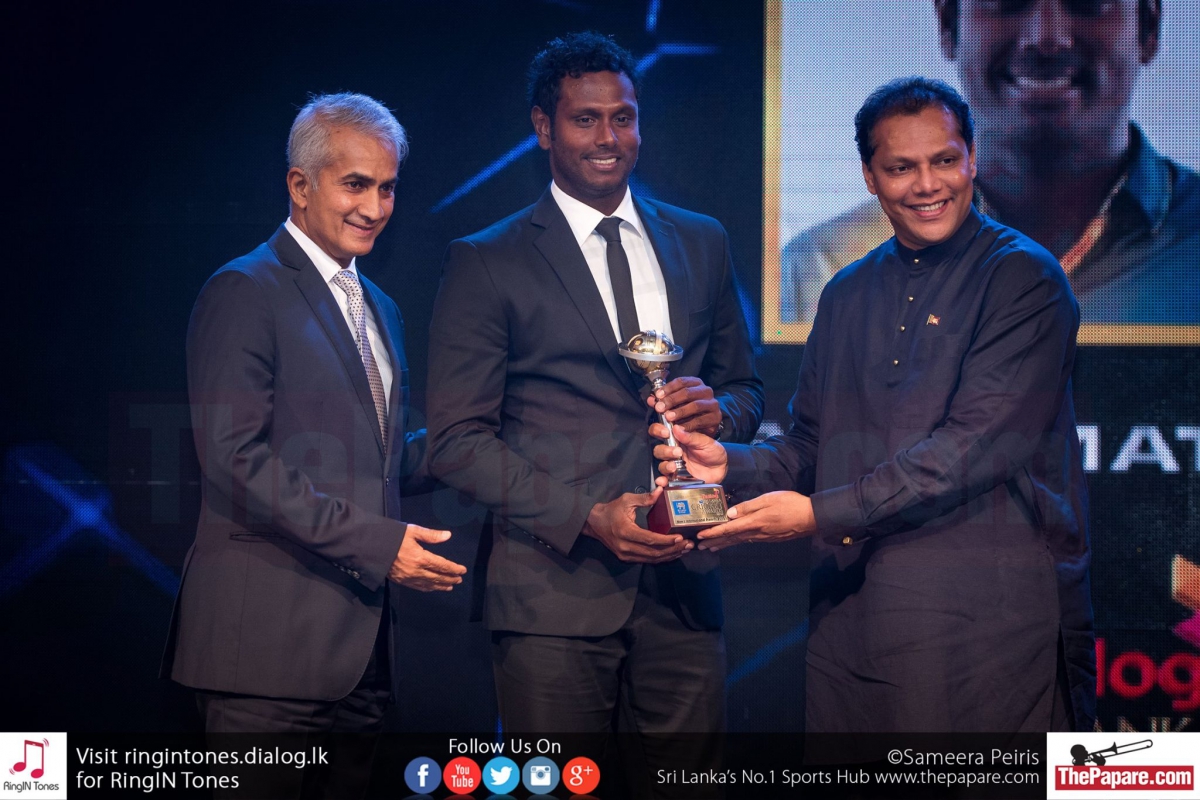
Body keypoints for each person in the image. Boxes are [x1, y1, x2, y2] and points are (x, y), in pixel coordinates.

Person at [662, 77, 1095, 732]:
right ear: (869, 177)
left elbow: (971, 450)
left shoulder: (1025, 278)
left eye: (944, 160)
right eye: (901, 167)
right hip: (853, 620)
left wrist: (816, 514)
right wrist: (730, 464)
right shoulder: (845, 291)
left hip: (988, 628)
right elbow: (812, 444)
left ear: (973, 159)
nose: (928, 185)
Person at [426, 31, 763, 786]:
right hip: (552, 596)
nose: (609, 137)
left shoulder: (701, 241)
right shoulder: (488, 259)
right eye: (586, 119)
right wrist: (587, 516)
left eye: (623, 117)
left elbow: (746, 392)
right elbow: (456, 440)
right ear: (543, 128)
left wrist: (716, 414)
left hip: (685, 585)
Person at [162, 93, 466, 796]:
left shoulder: (380, 307)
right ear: (299, 185)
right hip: (264, 654)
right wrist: (379, 545)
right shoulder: (245, 289)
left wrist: (478, 437)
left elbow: (378, 461)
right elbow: (235, 459)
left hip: (360, 658)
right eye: (356, 184)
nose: (376, 207)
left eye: (388, 187)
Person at [781, 0, 1199, 326]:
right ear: (949, 24)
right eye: (1008, 0)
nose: (1046, 37)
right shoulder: (825, 269)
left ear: (1148, 26)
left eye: (1086, 1)